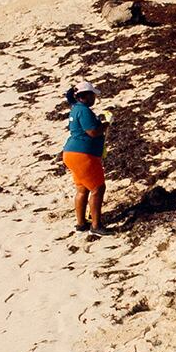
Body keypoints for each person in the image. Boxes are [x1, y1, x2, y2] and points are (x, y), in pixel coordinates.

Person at [61, 80, 111, 236]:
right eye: (93, 95)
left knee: (82, 189)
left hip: (71, 153)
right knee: (98, 188)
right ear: (86, 96)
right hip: (83, 154)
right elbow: (93, 132)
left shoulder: (76, 109)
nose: (95, 98)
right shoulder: (83, 110)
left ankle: (81, 223)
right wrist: (106, 124)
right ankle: (96, 225)